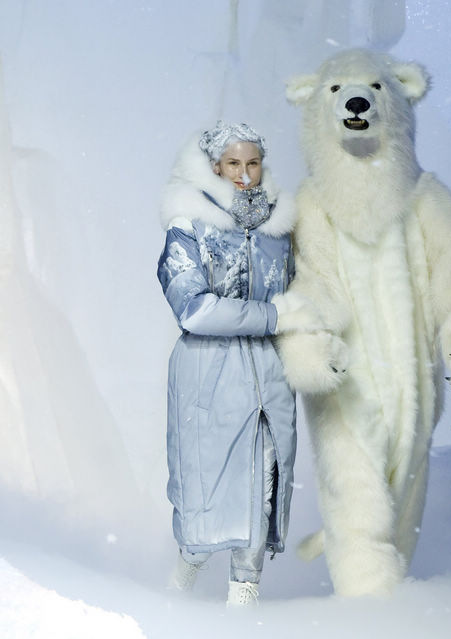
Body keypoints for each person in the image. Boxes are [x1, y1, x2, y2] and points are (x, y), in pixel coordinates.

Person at [156, 122, 317, 607]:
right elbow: (194, 309)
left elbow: (302, 291)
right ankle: (183, 575)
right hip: (207, 375)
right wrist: (273, 316)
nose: (245, 175)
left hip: (268, 376)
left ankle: (244, 593)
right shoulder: (188, 226)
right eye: (233, 164)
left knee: (263, 485)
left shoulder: (279, 230)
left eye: (253, 163)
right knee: (204, 491)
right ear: (213, 168)